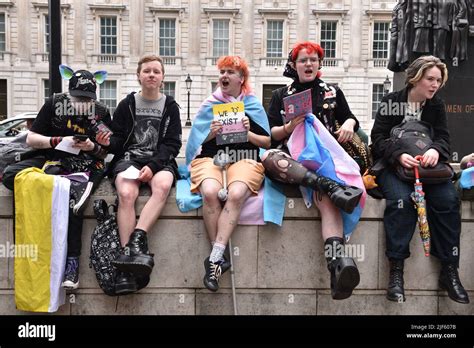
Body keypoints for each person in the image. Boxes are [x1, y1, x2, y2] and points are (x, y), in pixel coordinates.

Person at [261, 41, 365, 300]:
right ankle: (330, 186)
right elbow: (271, 135)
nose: (308, 64)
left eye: (313, 60)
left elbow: (350, 116)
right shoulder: (280, 94)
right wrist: (289, 127)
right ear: (294, 65)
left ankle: (337, 265)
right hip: (292, 160)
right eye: (303, 60)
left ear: (319, 64)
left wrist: (349, 125)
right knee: (270, 158)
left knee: (328, 204)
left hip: (324, 157)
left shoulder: (332, 91)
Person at [2, 65, 113, 290]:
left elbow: (106, 152)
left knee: (73, 201)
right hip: (53, 156)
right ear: (69, 94)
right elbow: (31, 139)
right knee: (11, 175)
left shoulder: (101, 112)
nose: (83, 104)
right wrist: (56, 141)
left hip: (87, 162)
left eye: (88, 100)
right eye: (78, 99)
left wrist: (92, 146)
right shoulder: (54, 104)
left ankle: (72, 262)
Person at [371, 55, 469, 304]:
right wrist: (399, 155)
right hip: (395, 168)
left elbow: (444, 138)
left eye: (438, 80)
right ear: (415, 78)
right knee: (401, 203)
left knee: (448, 201)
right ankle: (396, 271)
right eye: (430, 79)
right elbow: (378, 139)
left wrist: (435, 150)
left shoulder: (435, 106)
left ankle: (449, 269)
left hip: (429, 171)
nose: (435, 85)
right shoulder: (391, 101)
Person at [186, 55, 270, 292]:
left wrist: (247, 132)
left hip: (245, 158)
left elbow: (266, 141)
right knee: (211, 191)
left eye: (230, 72)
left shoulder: (253, 105)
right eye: (222, 72)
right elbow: (194, 144)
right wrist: (211, 133)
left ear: (241, 78)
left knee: (236, 193)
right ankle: (218, 258)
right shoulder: (209, 105)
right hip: (211, 159)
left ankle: (213, 259)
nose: (224, 76)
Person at [106, 55, 182, 295]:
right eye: (146, 71)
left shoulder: (170, 106)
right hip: (129, 159)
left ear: (162, 78)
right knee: (127, 193)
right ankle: (130, 262)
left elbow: (172, 144)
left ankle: (135, 241)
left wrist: (154, 165)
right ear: (138, 76)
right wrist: (106, 142)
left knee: (162, 186)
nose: (151, 74)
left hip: (159, 160)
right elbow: (118, 141)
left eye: (156, 71)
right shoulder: (126, 104)